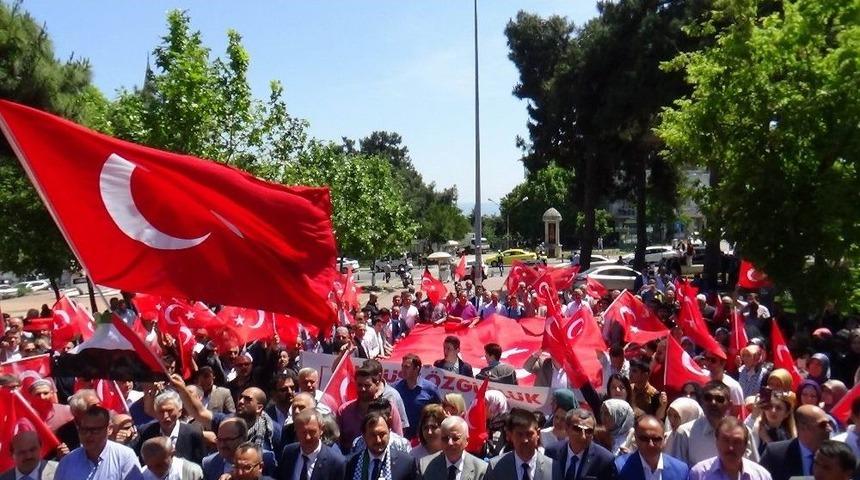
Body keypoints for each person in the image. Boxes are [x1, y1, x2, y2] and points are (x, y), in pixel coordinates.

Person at [669, 381, 759, 466]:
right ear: (702, 402)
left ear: (729, 405)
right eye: (708, 398)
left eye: (719, 399)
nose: (713, 402)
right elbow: (678, 472)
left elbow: (754, 469)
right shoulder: (685, 433)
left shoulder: (744, 432)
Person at [54, 405, 143, 480]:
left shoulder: (125, 456)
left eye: (94, 430)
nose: (88, 435)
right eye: (83, 430)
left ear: (109, 429)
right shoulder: (68, 462)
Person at [337, 365, 404, 451]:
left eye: (367, 385)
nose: (363, 389)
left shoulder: (389, 409)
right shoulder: (344, 411)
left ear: (377, 384)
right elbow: (337, 441)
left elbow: (398, 439)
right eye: (359, 385)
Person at [761, 404, 834, 480]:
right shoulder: (775, 454)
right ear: (802, 428)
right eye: (823, 425)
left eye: (829, 423)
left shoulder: (836, 455)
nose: (829, 429)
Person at [134, 389, 206, 465]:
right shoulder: (147, 432)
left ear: (180, 412)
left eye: (170, 411)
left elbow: (199, 465)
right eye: (161, 411)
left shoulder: (193, 433)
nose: (165, 416)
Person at [688, 416, 772, 480]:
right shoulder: (699, 474)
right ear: (717, 442)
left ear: (745, 445)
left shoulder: (761, 476)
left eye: (737, 442)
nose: (731, 447)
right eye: (725, 440)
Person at [545, 408, 615, 480]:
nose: (583, 436)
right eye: (577, 429)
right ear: (567, 429)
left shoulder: (604, 460)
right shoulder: (552, 452)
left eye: (589, 431)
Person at [344, 411, 417, 480]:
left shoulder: (406, 463)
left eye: (382, 434)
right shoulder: (350, 464)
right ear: (364, 436)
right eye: (373, 435)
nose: (378, 440)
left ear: (389, 432)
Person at [277, 408, 346, 480]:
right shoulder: (289, 452)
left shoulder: (336, 462)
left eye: (312, 432)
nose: (307, 437)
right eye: (303, 432)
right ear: (296, 431)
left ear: (321, 430)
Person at [485, 408, 553, 480]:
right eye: (520, 435)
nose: (525, 440)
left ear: (538, 433)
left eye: (529, 434)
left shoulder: (552, 468)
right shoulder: (496, 467)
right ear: (510, 435)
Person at [616, 415, 690, 480]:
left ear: (664, 439)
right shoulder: (620, 467)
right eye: (644, 439)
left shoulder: (680, 470)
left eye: (656, 439)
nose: (651, 444)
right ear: (636, 438)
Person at [417, 415, 487, 480]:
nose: (450, 443)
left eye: (455, 438)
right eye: (445, 438)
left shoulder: (481, 469)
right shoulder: (425, 466)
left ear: (467, 440)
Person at [393, 353, 441, 439]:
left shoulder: (430, 389)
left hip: (423, 438)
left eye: (407, 367)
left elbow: (439, 411)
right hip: (400, 437)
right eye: (402, 366)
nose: (403, 370)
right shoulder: (395, 388)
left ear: (417, 368)